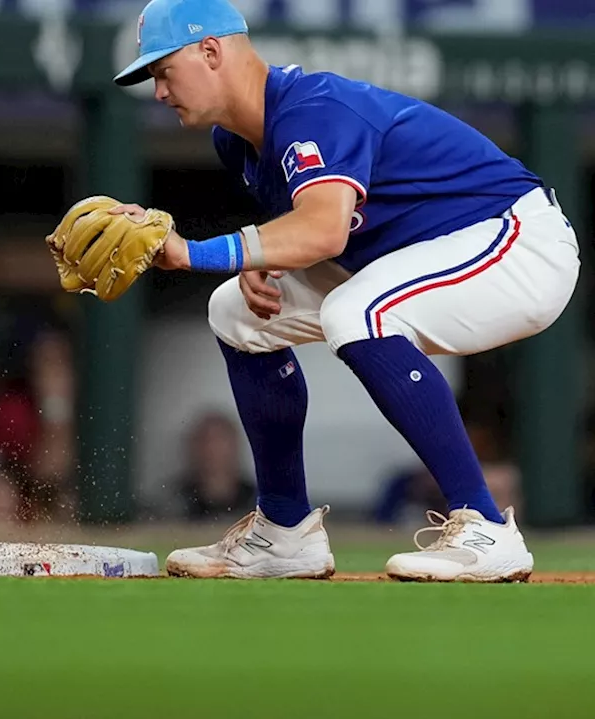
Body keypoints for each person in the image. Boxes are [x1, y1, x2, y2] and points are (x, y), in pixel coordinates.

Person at [48, 0, 579, 581]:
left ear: (211, 51)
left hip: (516, 240)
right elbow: (312, 228)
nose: (158, 91)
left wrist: (193, 251)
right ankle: (285, 532)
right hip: (414, 249)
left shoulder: (313, 108)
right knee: (236, 314)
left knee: (358, 313)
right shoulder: (236, 139)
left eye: (162, 69)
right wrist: (262, 257)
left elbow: (324, 227)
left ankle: (486, 526)